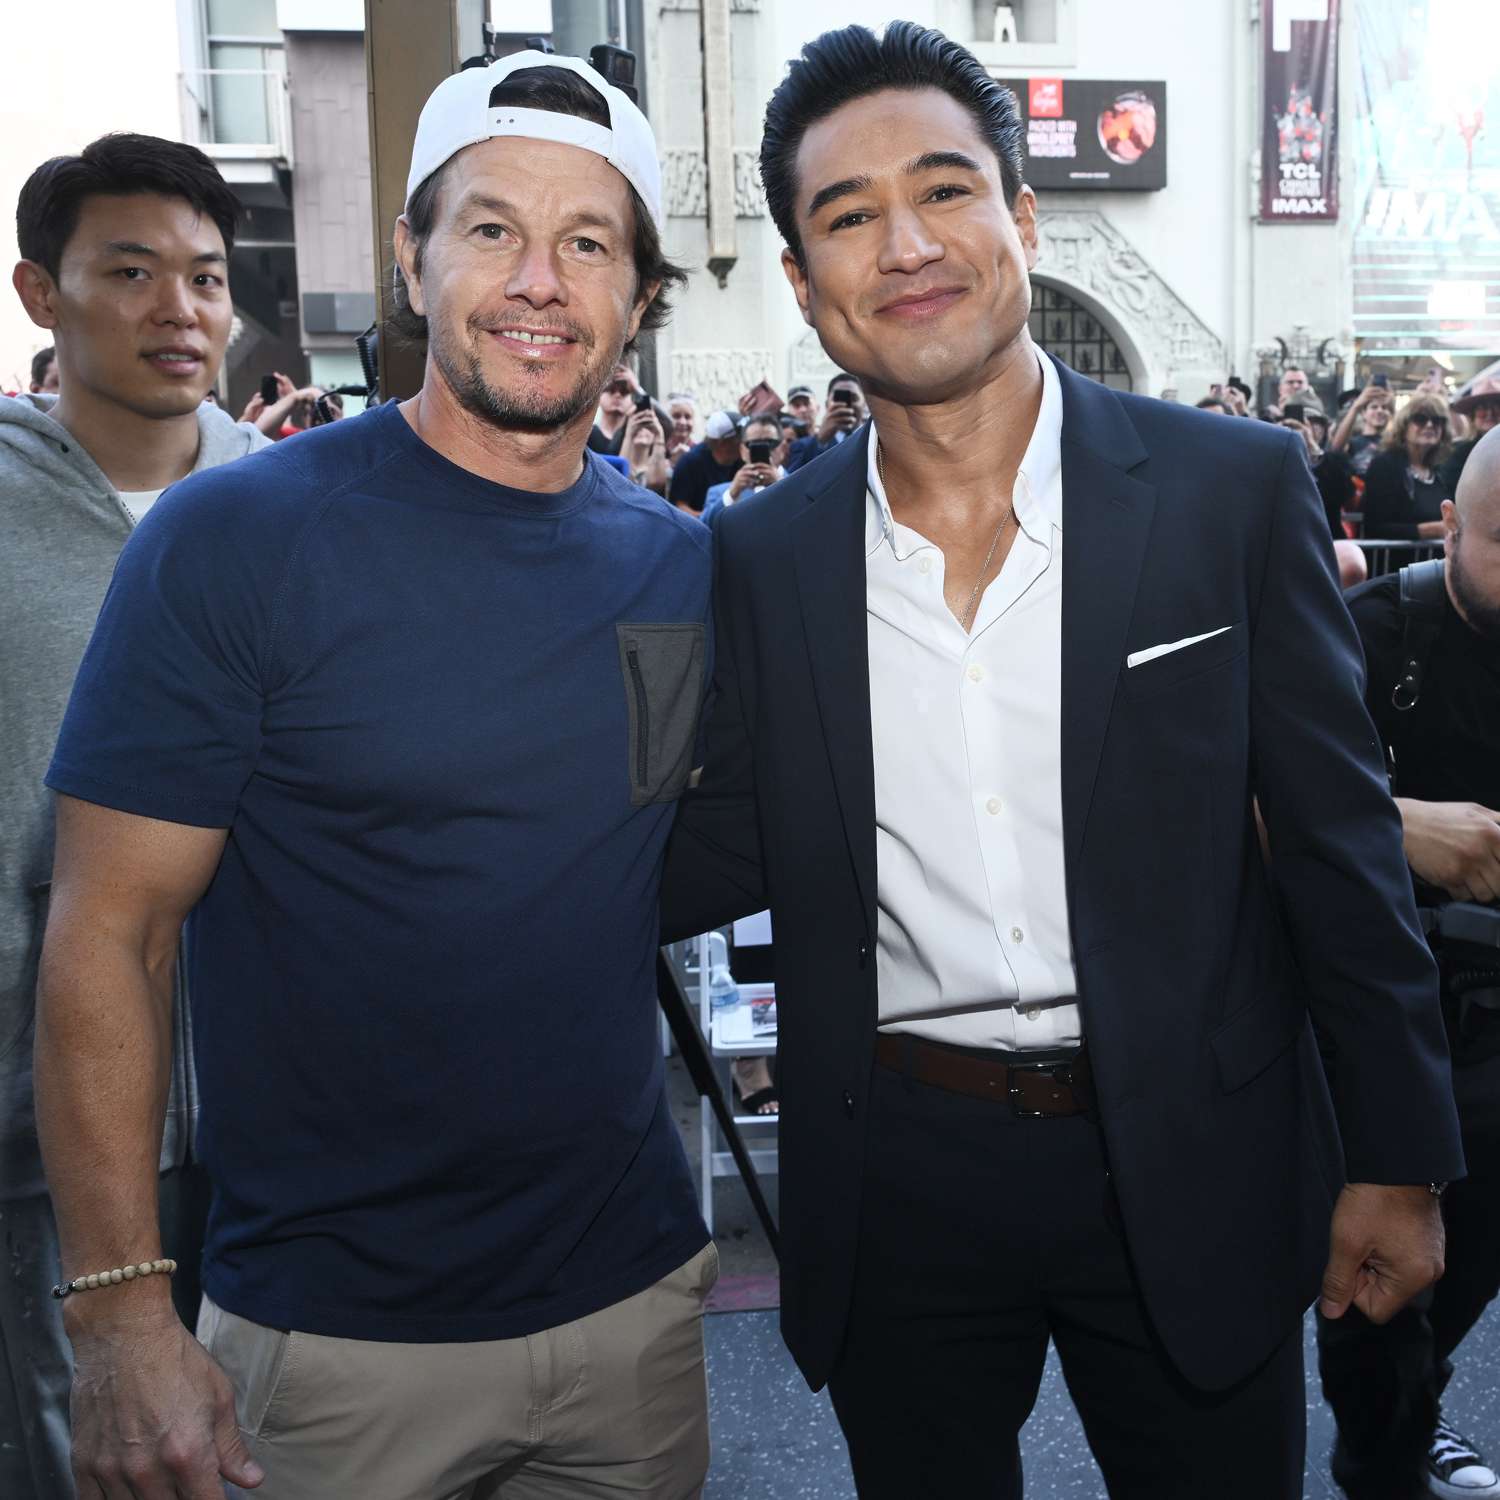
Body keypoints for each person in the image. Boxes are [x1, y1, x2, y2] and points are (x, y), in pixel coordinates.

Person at [661, 23, 1460, 1500]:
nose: (905, 243)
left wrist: (1397, 1152)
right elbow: (703, 833)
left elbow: (1337, 844)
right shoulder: (756, 556)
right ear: (802, 282)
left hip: (1193, 1145)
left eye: (946, 190)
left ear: (1021, 220)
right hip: (899, 1163)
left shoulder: (1228, 490)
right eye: (847, 215)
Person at [35, 52, 718, 1500]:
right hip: (327, 1339)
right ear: (411, 260)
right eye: (490, 230)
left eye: (588, 243)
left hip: (634, 1316)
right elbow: (109, 931)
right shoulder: (233, 542)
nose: (540, 278)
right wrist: (118, 1317)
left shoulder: (678, 562)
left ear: (639, 300)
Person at [1, 131, 266, 1500]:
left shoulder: (287, 509)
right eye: (132, 271)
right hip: (32, 1126)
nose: (181, 309)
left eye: (208, 278)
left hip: (272, 1116)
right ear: (39, 293)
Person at [1320, 425, 1500, 1500]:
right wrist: (1397, 823)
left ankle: (1411, 1416)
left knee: (1461, 1272)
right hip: (1403, 1022)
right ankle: (1383, 1461)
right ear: (1443, 526)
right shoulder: (1374, 632)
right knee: (1390, 1284)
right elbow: (1244, 796)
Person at [1364, 393, 1453, 541]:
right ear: (1404, 427)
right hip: (1395, 561)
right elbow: (1375, 528)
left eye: (1437, 420)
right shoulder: (1384, 465)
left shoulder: (1441, 471)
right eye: (1420, 419)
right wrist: (1432, 530)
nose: (1429, 425)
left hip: (1436, 562)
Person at [701, 410, 787, 530]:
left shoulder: (801, 483)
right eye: (753, 444)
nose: (763, 448)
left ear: (783, 448)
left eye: (770, 443)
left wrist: (782, 486)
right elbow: (702, 531)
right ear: (742, 450)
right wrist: (731, 495)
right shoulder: (720, 493)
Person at [784, 371, 865, 472]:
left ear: (865, 403)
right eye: (838, 398)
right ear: (827, 404)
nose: (847, 404)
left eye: (853, 398)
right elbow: (794, 483)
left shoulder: (877, 441)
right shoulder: (803, 447)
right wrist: (820, 442)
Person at [668, 407, 742, 513]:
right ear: (722, 442)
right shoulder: (690, 462)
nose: (745, 441)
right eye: (740, 437)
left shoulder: (743, 459)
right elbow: (679, 507)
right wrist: (709, 518)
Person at [1443, 378, 1500, 497]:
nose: (1489, 413)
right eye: (1482, 408)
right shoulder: (1459, 453)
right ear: (1472, 416)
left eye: (1497, 406)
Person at [1330, 383, 1394, 478]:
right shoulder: (1353, 442)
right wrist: (1356, 407)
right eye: (1374, 407)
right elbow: (1336, 449)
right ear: (1363, 413)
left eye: (1384, 407)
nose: (1380, 411)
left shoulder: (1392, 442)